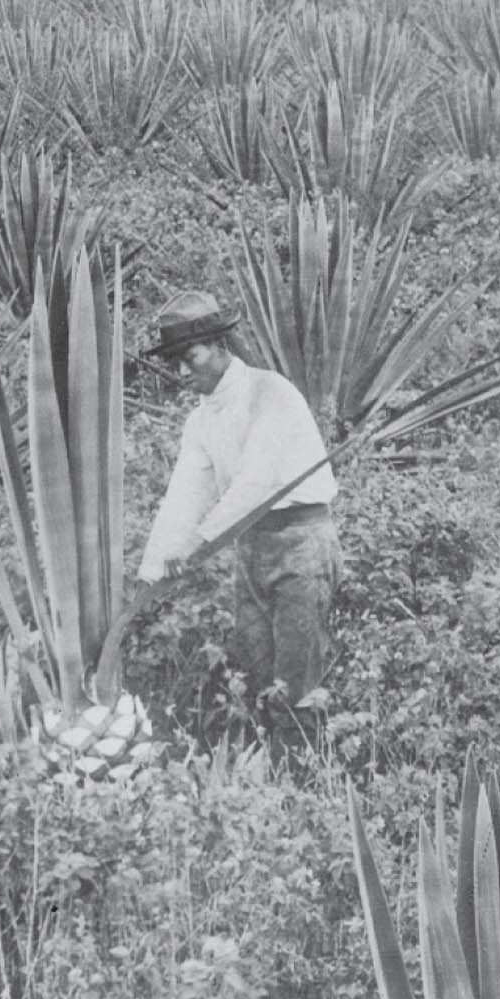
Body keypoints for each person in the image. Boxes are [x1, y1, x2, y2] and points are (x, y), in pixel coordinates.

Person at [137, 291, 341, 740]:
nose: (182, 372)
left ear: (219, 345)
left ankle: (306, 782)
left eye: (189, 357)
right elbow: (185, 494)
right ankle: (270, 782)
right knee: (256, 676)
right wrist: (153, 571)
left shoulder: (270, 393)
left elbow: (256, 483)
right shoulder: (201, 419)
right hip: (250, 550)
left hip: (300, 544)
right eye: (174, 362)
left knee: (296, 680)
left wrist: (197, 544)